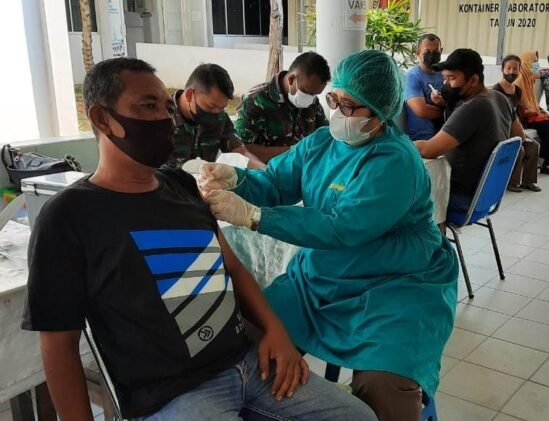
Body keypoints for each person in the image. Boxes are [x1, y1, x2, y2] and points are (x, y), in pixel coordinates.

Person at [21, 57, 376, 421]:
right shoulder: (70, 217)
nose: (166, 119)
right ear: (102, 119)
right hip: (171, 393)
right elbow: (59, 343)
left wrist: (275, 332)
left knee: (359, 418)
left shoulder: (180, 185)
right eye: (147, 106)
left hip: (246, 363)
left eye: (165, 107)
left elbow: (233, 269)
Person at [200, 50, 458, 421]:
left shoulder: (395, 162)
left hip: (394, 285)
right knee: (247, 339)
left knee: (383, 385)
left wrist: (255, 217)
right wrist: (238, 180)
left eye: (349, 106)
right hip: (321, 276)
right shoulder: (321, 142)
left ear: (380, 112)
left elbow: (342, 228)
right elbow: (276, 183)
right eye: (334, 100)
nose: (337, 112)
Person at [414, 48, 526, 212]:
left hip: (458, 196)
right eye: (445, 79)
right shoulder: (500, 98)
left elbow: (429, 150)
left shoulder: (474, 107)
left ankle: (437, 230)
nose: (446, 85)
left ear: (473, 80)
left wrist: (399, 143)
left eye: (452, 78)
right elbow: (519, 137)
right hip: (486, 196)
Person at [235, 52, 331, 163]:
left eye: (314, 94)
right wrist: (294, 151)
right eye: (307, 92)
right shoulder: (254, 101)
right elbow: (242, 150)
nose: (310, 99)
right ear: (291, 79)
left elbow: (325, 136)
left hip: (305, 170)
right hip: (266, 171)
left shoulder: (312, 102)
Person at [167, 63, 265, 169]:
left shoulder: (220, 117)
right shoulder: (162, 118)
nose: (216, 113)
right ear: (189, 95)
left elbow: (239, 152)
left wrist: (265, 171)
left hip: (207, 178)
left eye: (221, 108)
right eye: (211, 106)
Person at [492, 54, 542, 192]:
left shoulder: (517, 91)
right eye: (508, 68)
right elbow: (498, 117)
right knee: (518, 149)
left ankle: (528, 181)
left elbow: (517, 113)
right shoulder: (496, 91)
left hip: (514, 128)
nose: (511, 72)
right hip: (501, 130)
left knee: (534, 146)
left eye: (515, 69)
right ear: (502, 69)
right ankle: (512, 182)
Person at [515, 51, 549, 175]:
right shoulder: (519, 81)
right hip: (524, 118)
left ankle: (543, 159)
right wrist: (538, 114)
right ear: (526, 62)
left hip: (533, 115)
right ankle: (548, 164)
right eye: (534, 61)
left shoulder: (528, 79)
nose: (536, 64)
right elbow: (522, 107)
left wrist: (542, 111)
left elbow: (532, 102)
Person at [404, 33, 445, 141]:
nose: (432, 56)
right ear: (418, 53)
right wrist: (449, 111)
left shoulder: (444, 74)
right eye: (427, 52)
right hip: (423, 137)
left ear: (441, 51)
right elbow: (421, 110)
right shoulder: (413, 76)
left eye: (436, 52)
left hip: (443, 134)